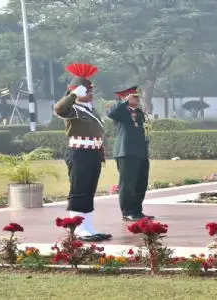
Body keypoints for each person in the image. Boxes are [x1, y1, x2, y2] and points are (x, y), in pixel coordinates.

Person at [53, 63, 111, 242]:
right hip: (79, 154)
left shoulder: (90, 109)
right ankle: (77, 228)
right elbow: (59, 109)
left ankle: (87, 227)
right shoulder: (74, 109)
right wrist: (72, 95)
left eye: (90, 90)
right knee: (79, 190)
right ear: (78, 92)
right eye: (87, 90)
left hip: (92, 154)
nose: (91, 93)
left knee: (88, 191)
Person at [107, 86, 153, 222]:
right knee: (128, 184)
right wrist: (123, 102)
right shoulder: (121, 110)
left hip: (141, 152)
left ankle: (137, 211)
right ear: (126, 98)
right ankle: (127, 212)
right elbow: (111, 113)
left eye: (138, 96)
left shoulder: (139, 112)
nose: (138, 99)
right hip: (126, 152)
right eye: (135, 96)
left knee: (141, 183)